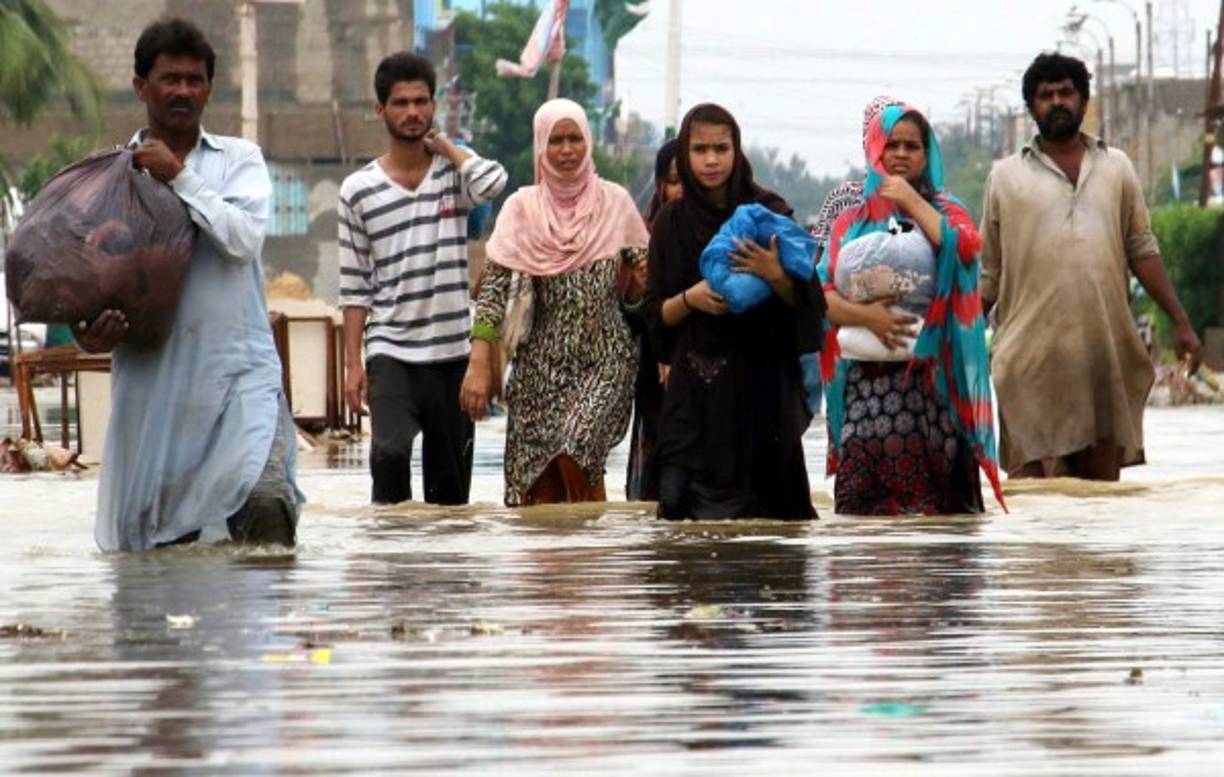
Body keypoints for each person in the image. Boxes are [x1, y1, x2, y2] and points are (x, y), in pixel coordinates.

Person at [76, 18, 300, 550]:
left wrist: (178, 176)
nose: (182, 90)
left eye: (194, 80)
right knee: (160, 545)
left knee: (267, 508)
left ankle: (261, 627)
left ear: (208, 89)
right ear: (141, 87)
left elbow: (242, 240)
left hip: (239, 377)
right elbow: (84, 288)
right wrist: (90, 334)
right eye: (169, 78)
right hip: (157, 389)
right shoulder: (108, 179)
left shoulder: (239, 161)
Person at [981, 53, 1202, 481]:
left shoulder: (1116, 166)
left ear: (1084, 101)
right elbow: (990, 272)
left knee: (1098, 488)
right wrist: (958, 339)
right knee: (1034, 487)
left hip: (1104, 350)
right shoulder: (1004, 177)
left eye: (1067, 92)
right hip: (1028, 354)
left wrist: (1181, 322)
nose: (1057, 102)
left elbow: (1142, 248)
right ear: (1031, 107)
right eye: (1046, 95)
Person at [459, 99, 650, 506]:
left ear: (589, 141)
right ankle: (574, 564)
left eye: (575, 138)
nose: (567, 150)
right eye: (556, 140)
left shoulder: (615, 204)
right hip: (538, 368)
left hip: (605, 359)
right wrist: (479, 364)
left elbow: (642, 294)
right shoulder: (521, 208)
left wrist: (636, 290)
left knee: (575, 448)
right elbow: (492, 293)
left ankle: (589, 550)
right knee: (538, 492)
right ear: (540, 147)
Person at [818, 102, 1003, 515]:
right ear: (874, 150)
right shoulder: (850, 222)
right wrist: (870, 318)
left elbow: (968, 248)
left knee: (941, 520)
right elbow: (822, 293)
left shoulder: (946, 209)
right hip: (867, 389)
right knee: (864, 521)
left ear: (927, 154)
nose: (901, 155)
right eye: (891, 145)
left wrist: (911, 201)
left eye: (912, 146)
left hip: (934, 386)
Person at [338, 52, 507, 505]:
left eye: (421, 102)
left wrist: (450, 150)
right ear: (381, 110)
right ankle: (391, 569)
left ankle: (444, 576)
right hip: (391, 350)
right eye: (400, 103)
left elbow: (494, 183)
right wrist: (353, 365)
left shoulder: (455, 175)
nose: (412, 112)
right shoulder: (358, 191)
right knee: (389, 456)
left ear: (433, 107)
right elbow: (354, 285)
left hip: (453, 353)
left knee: (449, 495)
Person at [643, 103, 824, 521]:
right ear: (684, 154)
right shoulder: (671, 222)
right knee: (677, 514)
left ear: (736, 150)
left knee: (769, 529)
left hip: (762, 395)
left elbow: (808, 300)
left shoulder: (768, 214)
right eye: (700, 149)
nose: (711, 159)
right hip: (696, 397)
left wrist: (774, 274)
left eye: (721, 148)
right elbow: (654, 315)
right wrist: (692, 299)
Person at [626, 139, 681, 501]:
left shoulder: (727, 237)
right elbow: (624, 321)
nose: (683, 191)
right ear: (661, 184)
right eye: (676, 180)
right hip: (653, 385)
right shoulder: (637, 237)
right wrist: (638, 292)